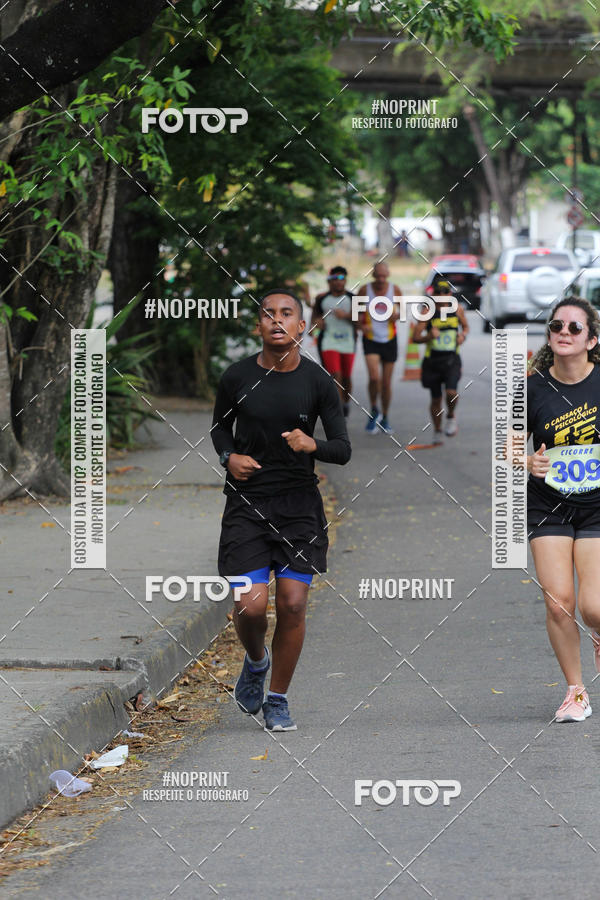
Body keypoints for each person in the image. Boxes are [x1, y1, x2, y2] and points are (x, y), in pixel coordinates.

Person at [211, 289, 351, 732]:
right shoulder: (236, 376)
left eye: (286, 314)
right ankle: (256, 662)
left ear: (301, 326)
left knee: (292, 605)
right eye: (268, 314)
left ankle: (278, 698)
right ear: (258, 326)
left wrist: (313, 445)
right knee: (251, 608)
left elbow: (343, 449)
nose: (277, 320)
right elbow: (219, 428)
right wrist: (227, 457)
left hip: (298, 507)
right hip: (247, 503)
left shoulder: (317, 381)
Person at [526, 296, 600, 723]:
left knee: (593, 608)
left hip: (596, 508)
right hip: (548, 505)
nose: (564, 333)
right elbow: (511, 444)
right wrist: (526, 461)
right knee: (558, 603)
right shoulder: (532, 387)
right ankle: (576, 691)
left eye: (575, 328)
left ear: (592, 339)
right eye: (557, 326)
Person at [413, 281, 469, 443]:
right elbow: (416, 337)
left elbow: (466, 327)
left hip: (452, 359)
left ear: (450, 294)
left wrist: (462, 336)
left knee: (451, 392)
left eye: (445, 292)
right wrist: (428, 336)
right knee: (436, 398)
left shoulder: (457, 309)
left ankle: (451, 416)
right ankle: (437, 430)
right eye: (438, 292)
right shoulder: (428, 311)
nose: (442, 296)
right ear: (433, 295)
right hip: (433, 360)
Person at [357, 262, 402, 434]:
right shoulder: (364, 291)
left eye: (384, 276)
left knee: (386, 383)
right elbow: (355, 314)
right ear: (373, 275)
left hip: (390, 339)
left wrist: (396, 316)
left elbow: (403, 312)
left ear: (388, 274)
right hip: (371, 339)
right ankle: (374, 409)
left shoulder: (395, 290)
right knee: (375, 378)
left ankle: (385, 416)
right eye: (378, 276)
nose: (382, 279)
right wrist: (361, 326)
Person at [310, 266, 356, 417]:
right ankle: (338, 409)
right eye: (334, 279)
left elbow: (361, 323)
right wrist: (317, 324)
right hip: (328, 341)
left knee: (347, 377)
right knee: (335, 375)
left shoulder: (353, 298)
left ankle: (346, 402)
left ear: (346, 280)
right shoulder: (321, 298)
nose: (337, 282)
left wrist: (347, 316)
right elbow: (313, 324)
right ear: (329, 281)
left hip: (348, 341)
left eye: (341, 278)